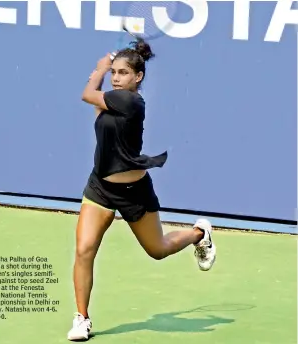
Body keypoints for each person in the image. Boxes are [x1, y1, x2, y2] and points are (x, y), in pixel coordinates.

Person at [67, 38, 216, 341]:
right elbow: (99, 119)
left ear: (139, 77)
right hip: (100, 188)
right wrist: (103, 75)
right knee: (84, 250)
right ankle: (82, 318)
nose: (117, 78)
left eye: (123, 73)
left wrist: (98, 69)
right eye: (114, 73)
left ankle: (200, 234)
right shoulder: (111, 100)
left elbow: (86, 94)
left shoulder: (131, 102)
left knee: (157, 250)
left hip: (134, 191)